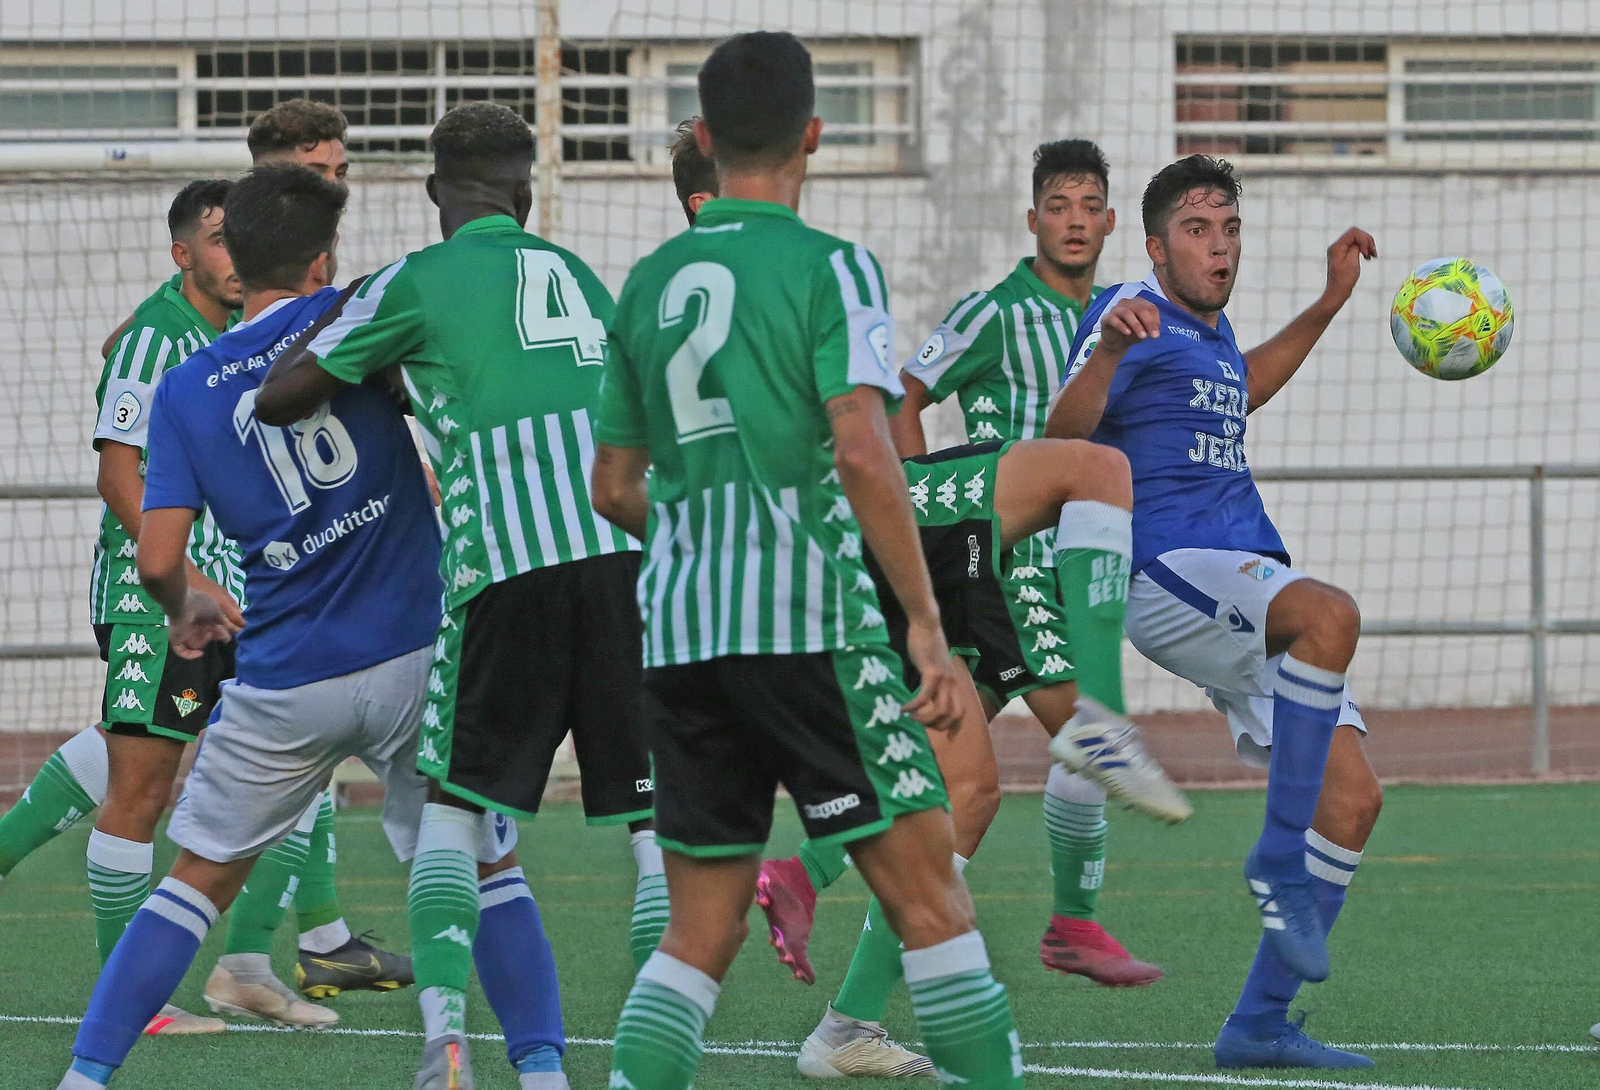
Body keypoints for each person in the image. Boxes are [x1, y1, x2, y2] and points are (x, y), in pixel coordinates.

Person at [591, 33, 1025, 1090]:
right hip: (813, 626)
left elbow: (611, 485)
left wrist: (700, 533)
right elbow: (867, 450)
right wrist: (923, 620)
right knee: (934, 902)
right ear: (813, 137)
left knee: (696, 938)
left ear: (701, 136)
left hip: (684, 635)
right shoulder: (831, 265)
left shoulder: (648, 281)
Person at [257, 100, 654, 1090]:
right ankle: (644, 1060)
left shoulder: (415, 281)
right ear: (524, 190)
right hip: (622, 563)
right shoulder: (569, 269)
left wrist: (380, 371)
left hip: (505, 571)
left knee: (454, 810)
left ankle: (444, 1043)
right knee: (657, 822)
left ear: (435, 192)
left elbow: (280, 392)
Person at [52, 162, 461, 1090]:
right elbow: (126, 478)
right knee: (473, 857)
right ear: (320, 256)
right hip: (382, 641)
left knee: (193, 844)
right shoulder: (349, 319)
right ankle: (480, 1051)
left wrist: (185, 592)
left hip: (279, 660)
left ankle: (117, 1053)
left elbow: (161, 541)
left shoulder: (194, 370)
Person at [0, 97, 406, 1024]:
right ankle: (134, 1001)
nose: (233, 259)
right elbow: (118, 468)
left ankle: (254, 966)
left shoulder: (241, 325)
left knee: (264, 772)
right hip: (167, 593)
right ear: (190, 250)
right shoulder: (162, 333)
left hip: (235, 590)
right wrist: (176, 576)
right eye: (216, 244)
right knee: (141, 783)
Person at [1047, 153, 1384, 1070]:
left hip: (1239, 572)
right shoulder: (1130, 314)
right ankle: (1277, 857)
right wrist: (1111, 346)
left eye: (1230, 229)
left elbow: (1246, 382)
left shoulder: (1213, 333)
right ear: (1155, 246)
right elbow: (1061, 435)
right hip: (1167, 565)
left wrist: (1325, 305)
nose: (1220, 246)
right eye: (1198, 230)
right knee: (1332, 615)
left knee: (1353, 801)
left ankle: (1259, 1026)